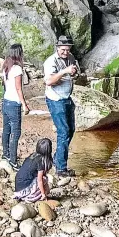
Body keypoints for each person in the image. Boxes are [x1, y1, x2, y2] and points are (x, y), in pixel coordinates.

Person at [43, 35, 79, 178]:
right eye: (63, 49)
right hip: (55, 99)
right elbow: (49, 81)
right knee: (63, 132)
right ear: (58, 48)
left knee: (71, 130)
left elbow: (75, 74)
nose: (66, 52)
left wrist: (74, 73)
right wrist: (64, 71)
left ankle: (57, 160)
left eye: (68, 49)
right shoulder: (50, 61)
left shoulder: (70, 57)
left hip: (66, 97)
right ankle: (61, 169)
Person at [1, 43, 29, 169]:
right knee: (16, 132)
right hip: (13, 103)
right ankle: (13, 160)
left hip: (6, 100)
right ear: (19, 53)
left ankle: (5, 154)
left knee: (6, 129)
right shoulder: (17, 69)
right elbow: (19, 89)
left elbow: (6, 86)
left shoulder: (6, 66)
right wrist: (24, 105)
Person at [13, 138, 53, 203]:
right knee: (44, 179)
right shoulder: (41, 161)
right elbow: (40, 180)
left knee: (43, 182)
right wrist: (43, 194)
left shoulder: (33, 155)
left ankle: (28, 194)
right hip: (23, 190)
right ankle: (30, 197)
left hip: (18, 186)